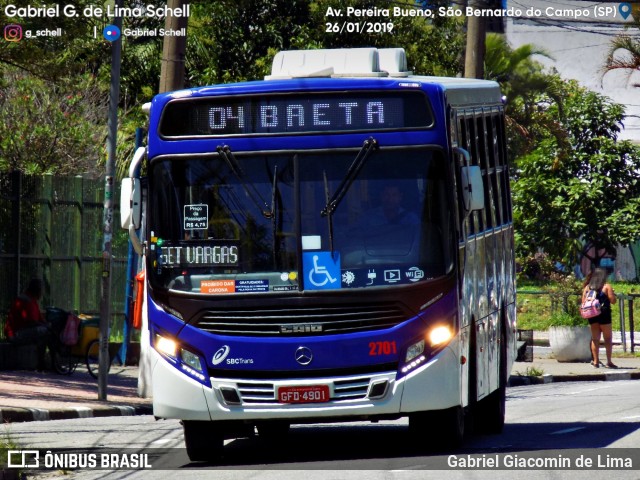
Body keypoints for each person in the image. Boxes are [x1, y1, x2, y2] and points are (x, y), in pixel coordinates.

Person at [4, 278, 51, 370]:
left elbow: (39, 319)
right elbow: (31, 322)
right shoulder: (27, 301)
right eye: (41, 290)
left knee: (45, 331)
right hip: (15, 334)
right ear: (37, 290)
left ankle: (43, 362)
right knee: (43, 331)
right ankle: (41, 362)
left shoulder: (31, 300)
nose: (42, 293)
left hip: (20, 332)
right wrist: (45, 326)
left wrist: (47, 324)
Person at [582, 268, 617, 369]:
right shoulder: (606, 287)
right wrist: (613, 294)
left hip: (592, 315)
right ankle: (609, 362)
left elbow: (583, 301)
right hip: (604, 314)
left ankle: (596, 361)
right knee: (608, 339)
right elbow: (613, 300)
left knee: (595, 339)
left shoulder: (587, 288)